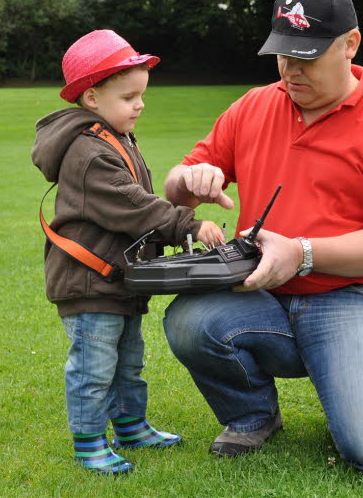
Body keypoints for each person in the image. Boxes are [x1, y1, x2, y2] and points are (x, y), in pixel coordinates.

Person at [162, 0, 363, 475]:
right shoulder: (253, 106)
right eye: (283, 54)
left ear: (350, 44)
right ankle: (253, 416)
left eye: (307, 55)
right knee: (188, 321)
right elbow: (175, 187)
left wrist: (302, 253)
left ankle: (353, 387)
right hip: (255, 291)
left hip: (346, 297)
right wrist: (190, 178)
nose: (291, 69)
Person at [31, 29, 224, 475]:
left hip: (117, 279)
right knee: (95, 366)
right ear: (93, 98)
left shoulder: (114, 136)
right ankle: (89, 442)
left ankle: (131, 426)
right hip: (90, 280)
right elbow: (132, 205)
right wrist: (187, 224)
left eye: (141, 95)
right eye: (129, 96)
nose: (140, 104)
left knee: (128, 362)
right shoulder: (88, 152)